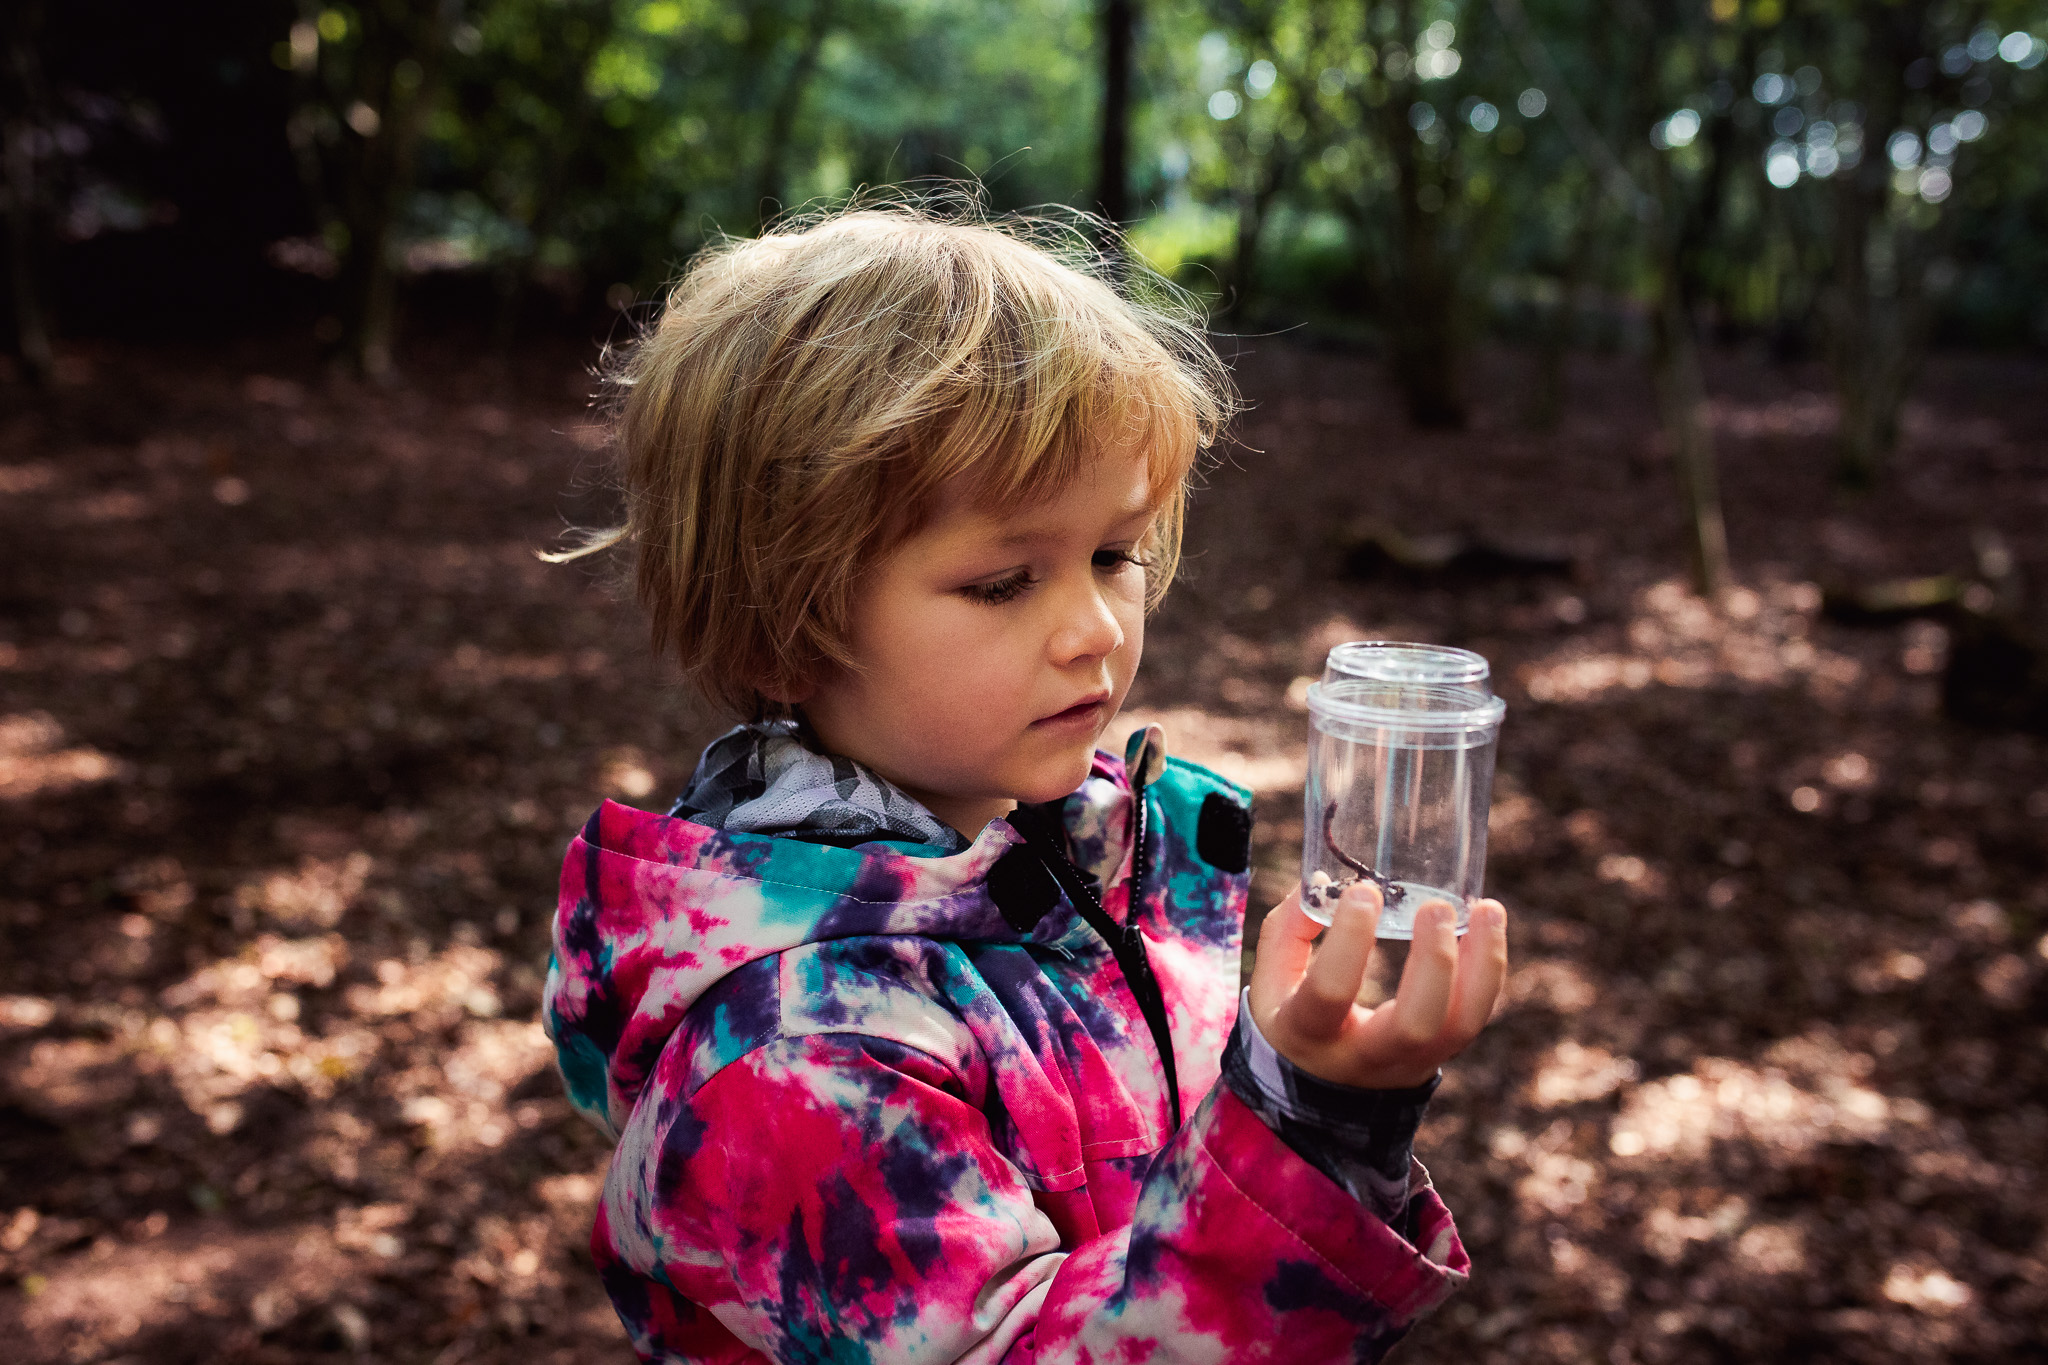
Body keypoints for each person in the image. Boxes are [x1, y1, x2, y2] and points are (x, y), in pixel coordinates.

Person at [542, 199, 1510, 1364]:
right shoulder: (797, 1048)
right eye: (1005, 582)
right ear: (780, 631)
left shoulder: (1086, 857)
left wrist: (1293, 1093)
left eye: (1114, 555)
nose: (1095, 628)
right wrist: (1309, 1131)